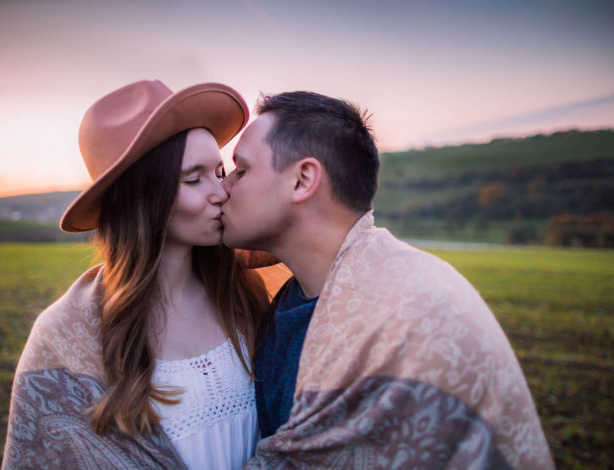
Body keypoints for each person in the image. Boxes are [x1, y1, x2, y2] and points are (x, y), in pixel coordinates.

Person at [221, 91, 555, 468]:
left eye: (241, 170)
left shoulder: (413, 310)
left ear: (302, 180)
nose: (224, 187)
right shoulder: (290, 302)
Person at [2, 80, 272, 469]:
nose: (221, 192)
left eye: (219, 171)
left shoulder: (245, 293)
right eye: (194, 179)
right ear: (140, 198)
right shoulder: (64, 337)